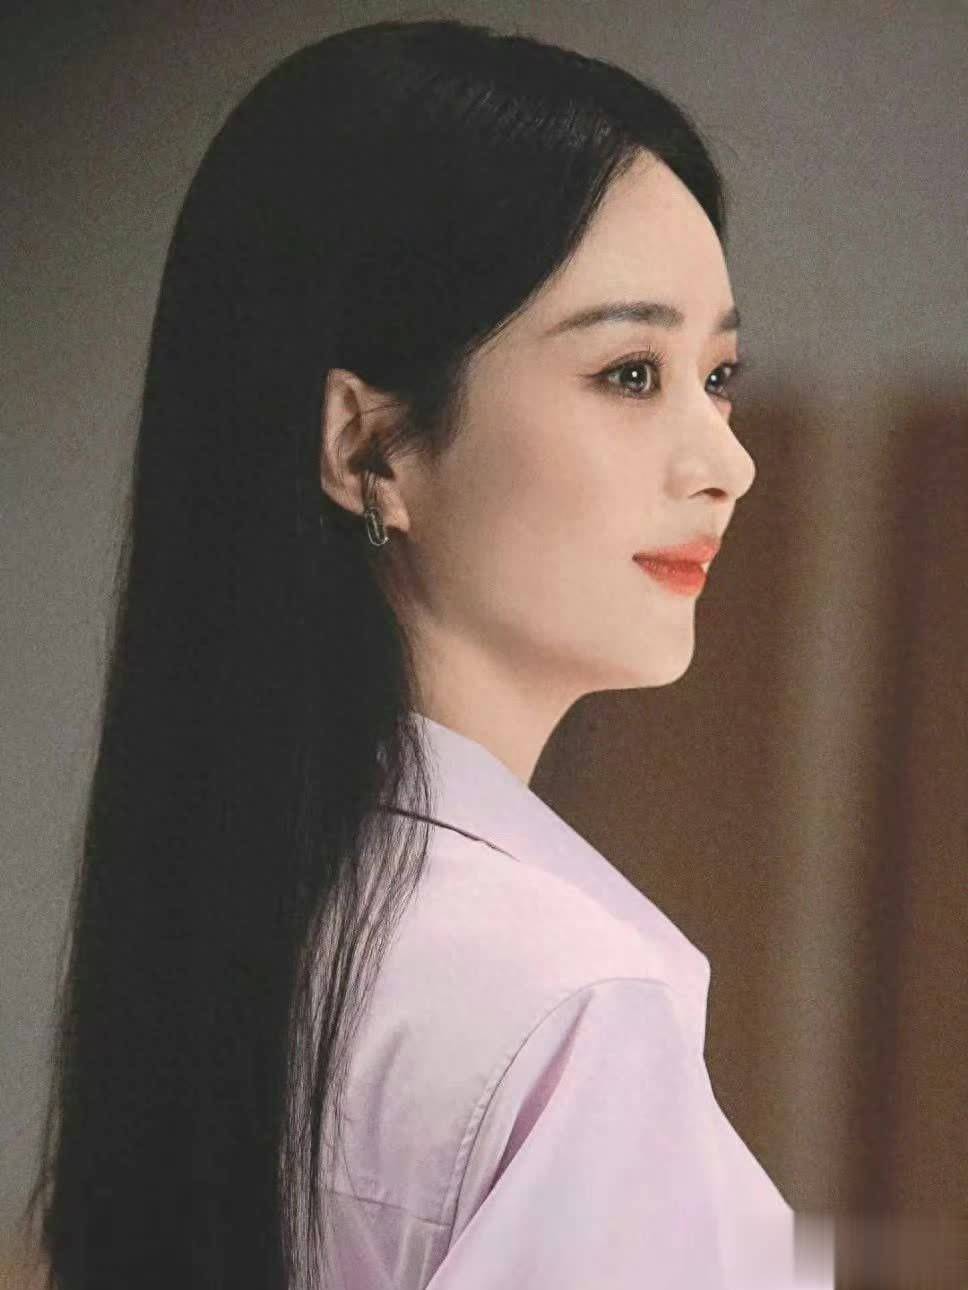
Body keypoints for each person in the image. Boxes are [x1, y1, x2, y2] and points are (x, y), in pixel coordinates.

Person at [21, 17, 830, 1290]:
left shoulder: (228, 935)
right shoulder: (568, 1005)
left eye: (717, 375)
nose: (725, 462)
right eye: (630, 372)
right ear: (368, 447)